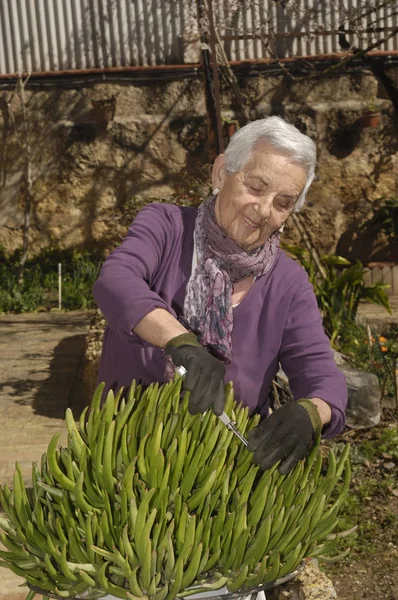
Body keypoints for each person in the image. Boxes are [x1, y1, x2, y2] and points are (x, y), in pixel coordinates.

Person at [93, 116, 347, 474]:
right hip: (122, 455)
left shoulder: (287, 282)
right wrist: (179, 341)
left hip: (225, 472)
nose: (263, 211)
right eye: (256, 187)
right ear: (220, 173)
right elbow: (116, 280)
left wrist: (312, 413)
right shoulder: (166, 228)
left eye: (282, 202)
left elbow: (323, 376)